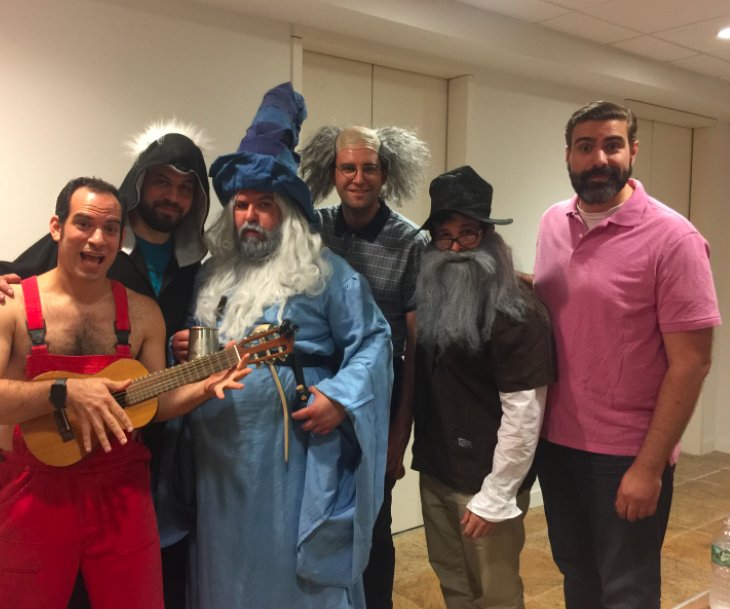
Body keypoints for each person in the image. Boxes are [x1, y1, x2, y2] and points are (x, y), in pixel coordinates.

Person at [0, 177, 246, 609]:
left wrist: (203, 388)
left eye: (110, 229)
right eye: (84, 223)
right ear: (57, 227)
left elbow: (153, 404)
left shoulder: (144, 314)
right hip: (32, 493)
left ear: (120, 237)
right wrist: (64, 392)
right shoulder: (4, 304)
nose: (97, 239)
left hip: (121, 492)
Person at [182, 82, 393, 609]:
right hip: (218, 459)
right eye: (241, 205)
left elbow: (374, 341)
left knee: (284, 574)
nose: (250, 216)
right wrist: (180, 349)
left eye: (265, 205)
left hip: (291, 458)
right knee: (223, 565)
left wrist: (340, 397)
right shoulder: (212, 276)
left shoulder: (326, 274)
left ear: (290, 213)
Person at [533, 101, 721, 609]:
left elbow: (692, 363)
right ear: (568, 155)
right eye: (585, 146)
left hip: (625, 455)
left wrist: (649, 467)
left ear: (632, 151)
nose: (599, 158)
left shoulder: (674, 239)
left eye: (612, 145)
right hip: (556, 443)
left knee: (627, 589)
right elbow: (571, 301)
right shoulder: (553, 222)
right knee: (577, 574)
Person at [410, 166, 554, 609]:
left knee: (495, 594)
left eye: (467, 234)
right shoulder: (431, 298)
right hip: (437, 470)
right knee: (453, 583)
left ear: (488, 236)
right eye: (444, 236)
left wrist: (496, 495)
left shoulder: (518, 311)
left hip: (485, 481)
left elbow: (525, 411)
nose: (455, 248)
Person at [299, 124, 430, 609]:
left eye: (369, 168)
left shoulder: (411, 242)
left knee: (373, 524)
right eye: (348, 168)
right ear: (332, 172)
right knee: (315, 512)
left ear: (385, 174)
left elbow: (414, 347)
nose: (358, 178)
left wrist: (399, 434)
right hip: (315, 391)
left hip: (378, 397)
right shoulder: (313, 228)